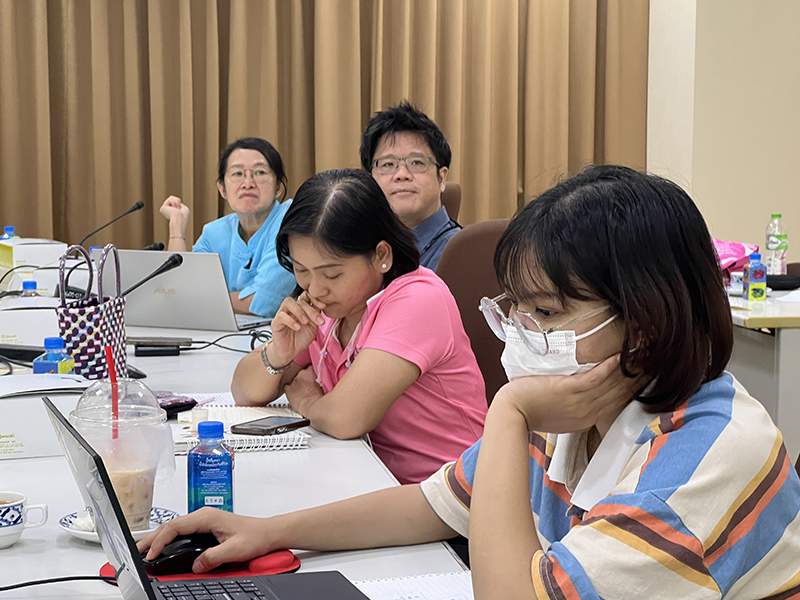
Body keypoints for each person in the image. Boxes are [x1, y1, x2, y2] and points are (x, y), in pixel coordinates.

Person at [141, 166, 800, 599]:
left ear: (645, 321)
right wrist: (266, 531)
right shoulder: (584, 402)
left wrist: (510, 410)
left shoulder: (707, 454)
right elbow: (432, 502)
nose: (523, 337)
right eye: (518, 311)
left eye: (546, 315)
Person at [229, 168, 487, 485]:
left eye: (332, 274)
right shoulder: (326, 307)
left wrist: (307, 400)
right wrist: (279, 353)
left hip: (450, 494)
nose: (315, 288)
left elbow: (345, 418)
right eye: (301, 270)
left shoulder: (417, 299)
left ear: (381, 255)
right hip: (369, 478)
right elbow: (243, 392)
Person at [159, 137, 297, 318]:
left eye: (260, 172)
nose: (248, 183)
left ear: (279, 187)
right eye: (238, 174)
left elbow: (264, 302)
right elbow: (177, 289)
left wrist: (199, 298)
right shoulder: (215, 232)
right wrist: (177, 226)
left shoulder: (291, 221)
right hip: (224, 336)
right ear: (222, 189)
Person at [360, 102, 461, 270]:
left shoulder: (460, 256)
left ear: (441, 179)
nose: (401, 174)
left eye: (416, 162)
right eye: (387, 164)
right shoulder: (360, 249)